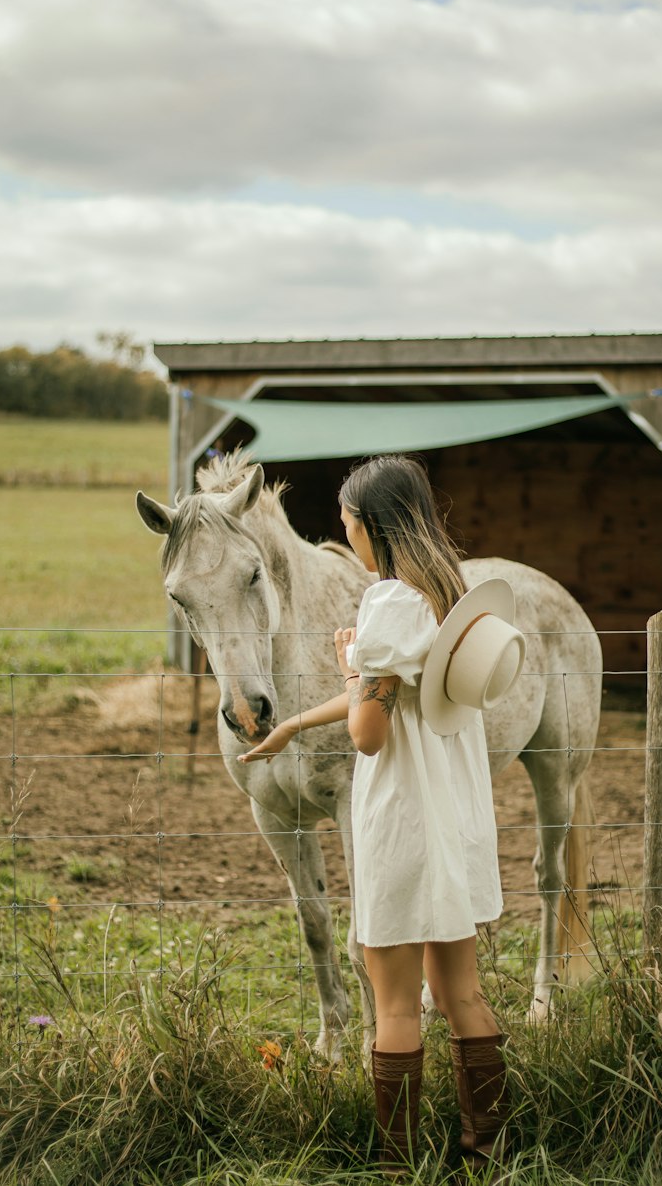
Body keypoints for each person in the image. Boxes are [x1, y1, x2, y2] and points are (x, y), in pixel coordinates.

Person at [239, 454, 511, 1174]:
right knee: (462, 994)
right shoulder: (449, 594)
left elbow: (369, 730)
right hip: (452, 815)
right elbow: (403, 692)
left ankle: (398, 1165)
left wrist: (353, 667)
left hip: (404, 820)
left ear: (374, 528)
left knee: (394, 1007)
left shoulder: (388, 602)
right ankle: (485, 1151)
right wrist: (296, 723)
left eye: (348, 522)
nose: (344, 534)